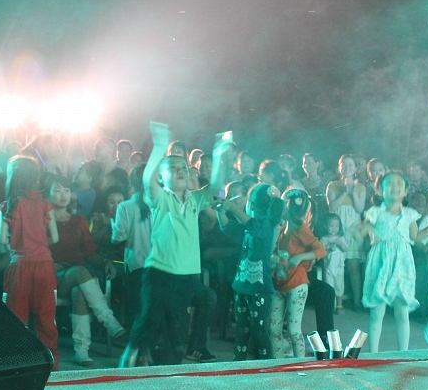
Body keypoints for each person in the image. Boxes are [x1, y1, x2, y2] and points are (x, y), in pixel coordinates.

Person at [117, 123, 229, 368]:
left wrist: (219, 152)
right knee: (148, 320)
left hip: (186, 278)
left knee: (176, 329)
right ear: (162, 176)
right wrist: (159, 146)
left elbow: (216, 185)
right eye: (173, 168)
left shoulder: (195, 200)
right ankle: (131, 356)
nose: (180, 171)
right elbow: (148, 180)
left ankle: (173, 361)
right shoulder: (161, 197)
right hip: (159, 274)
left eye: (184, 168)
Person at [47, 176, 125, 366]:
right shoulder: (43, 220)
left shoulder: (79, 220)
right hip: (52, 276)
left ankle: (81, 350)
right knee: (80, 272)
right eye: (57, 190)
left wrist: (105, 262)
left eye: (66, 190)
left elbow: (90, 252)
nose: (63, 195)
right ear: (48, 194)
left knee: (79, 292)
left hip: (77, 278)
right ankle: (108, 320)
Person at [0, 156, 60, 366]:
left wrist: (18, 243)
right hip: (44, 265)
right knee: (46, 318)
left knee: (16, 320)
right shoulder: (45, 204)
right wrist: (39, 243)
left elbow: (1, 240)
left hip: (19, 266)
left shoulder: (8, 205)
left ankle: (17, 364)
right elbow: (55, 238)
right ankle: (52, 363)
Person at [219, 184, 282, 360]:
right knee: (242, 328)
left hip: (259, 288)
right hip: (242, 284)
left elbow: (254, 227)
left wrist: (233, 208)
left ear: (252, 204)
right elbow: (228, 227)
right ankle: (238, 364)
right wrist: (221, 212)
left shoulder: (266, 225)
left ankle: (266, 367)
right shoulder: (251, 225)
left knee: (260, 330)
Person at [359, 171, 421, 352]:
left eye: (399, 183)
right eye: (390, 183)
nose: (395, 186)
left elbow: (415, 238)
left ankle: (403, 353)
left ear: (406, 191)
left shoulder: (409, 214)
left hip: (403, 264)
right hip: (380, 264)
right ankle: (373, 354)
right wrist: (360, 229)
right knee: (377, 312)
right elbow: (361, 232)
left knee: (402, 312)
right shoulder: (375, 212)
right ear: (380, 190)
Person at [271, 189, 325, 358]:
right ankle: (278, 362)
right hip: (279, 282)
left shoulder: (302, 230)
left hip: (297, 283)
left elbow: (320, 250)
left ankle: (301, 364)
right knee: (273, 328)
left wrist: (301, 257)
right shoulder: (282, 230)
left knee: (294, 330)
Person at [112, 164, 153, 333]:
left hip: (135, 265)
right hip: (159, 265)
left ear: (131, 183)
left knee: (136, 307)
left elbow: (118, 238)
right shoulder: (160, 205)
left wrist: (112, 229)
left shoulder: (125, 207)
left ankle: (136, 342)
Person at [325, 154, 367, 309]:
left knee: (353, 268)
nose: (347, 167)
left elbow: (359, 209)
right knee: (334, 268)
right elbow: (332, 207)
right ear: (339, 167)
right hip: (336, 230)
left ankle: (357, 302)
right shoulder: (332, 185)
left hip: (353, 230)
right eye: (344, 164)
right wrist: (344, 191)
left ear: (355, 169)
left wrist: (353, 191)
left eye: (350, 165)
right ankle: (334, 303)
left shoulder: (360, 187)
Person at [315, 212, 349, 312]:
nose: (334, 228)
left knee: (339, 285)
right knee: (329, 286)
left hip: (339, 266)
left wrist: (340, 244)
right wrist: (329, 248)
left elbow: (346, 249)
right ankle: (329, 304)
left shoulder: (341, 238)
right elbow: (321, 252)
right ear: (326, 226)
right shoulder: (324, 239)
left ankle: (339, 304)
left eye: (336, 226)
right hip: (328, 267)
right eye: (331, 226)